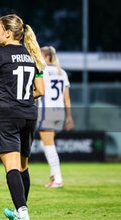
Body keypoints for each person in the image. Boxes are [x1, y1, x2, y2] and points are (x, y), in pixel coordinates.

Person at [0, 14, 45, 220]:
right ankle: (21, 208)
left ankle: (22, 213)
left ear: (8, 33)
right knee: (22, 167)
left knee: (11, 167)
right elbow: (40, 91)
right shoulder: (32, 54)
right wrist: (24, 97)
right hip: (29, 114)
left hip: (9, 114)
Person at [38, 46, 74, 188]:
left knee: (49, 145)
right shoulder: (62, 72)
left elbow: (38, 90)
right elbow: (67, 99)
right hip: (59, 112)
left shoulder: (43, 70)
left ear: (46, 56)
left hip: (47, 110)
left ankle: (58, 179)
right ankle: (54, 177)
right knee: (46, 143)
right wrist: (69, 117)